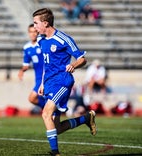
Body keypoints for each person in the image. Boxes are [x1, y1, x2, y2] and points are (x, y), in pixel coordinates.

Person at [33, 8, 97, 156]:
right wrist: (42, 83)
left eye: (36, 23)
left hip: (63, 82)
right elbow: (46, 64)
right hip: (49, 82)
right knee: (57, 128)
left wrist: (73, 65)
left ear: (46, 23)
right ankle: (86, 118)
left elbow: (82, 59)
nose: (34, 27)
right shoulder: (41, 40)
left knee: (46, 114)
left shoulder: (64, 39)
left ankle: (55, 153)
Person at [18, 24, 45, 111]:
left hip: (46, 76)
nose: (33, 34)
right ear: (28, 33)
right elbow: (26, 64)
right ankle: (51, 110)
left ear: (38, 32)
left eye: (35, 32)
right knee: (36, 99)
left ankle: (50, 110)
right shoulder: (26, 47)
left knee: (32, 98)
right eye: (31, 32)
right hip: (37, 78)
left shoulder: (43, 43)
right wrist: (22, 71)